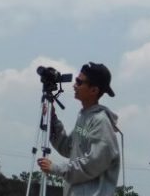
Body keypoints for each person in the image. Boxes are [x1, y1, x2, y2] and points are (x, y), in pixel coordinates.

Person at [37, 62, 120, 196]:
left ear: (94, 90)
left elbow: (93, 163)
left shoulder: (100, 121)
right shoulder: (84, 116)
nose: (74, 85)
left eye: (79, 82)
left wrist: (56, 168)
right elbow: (68, 147)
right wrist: (52, 120)